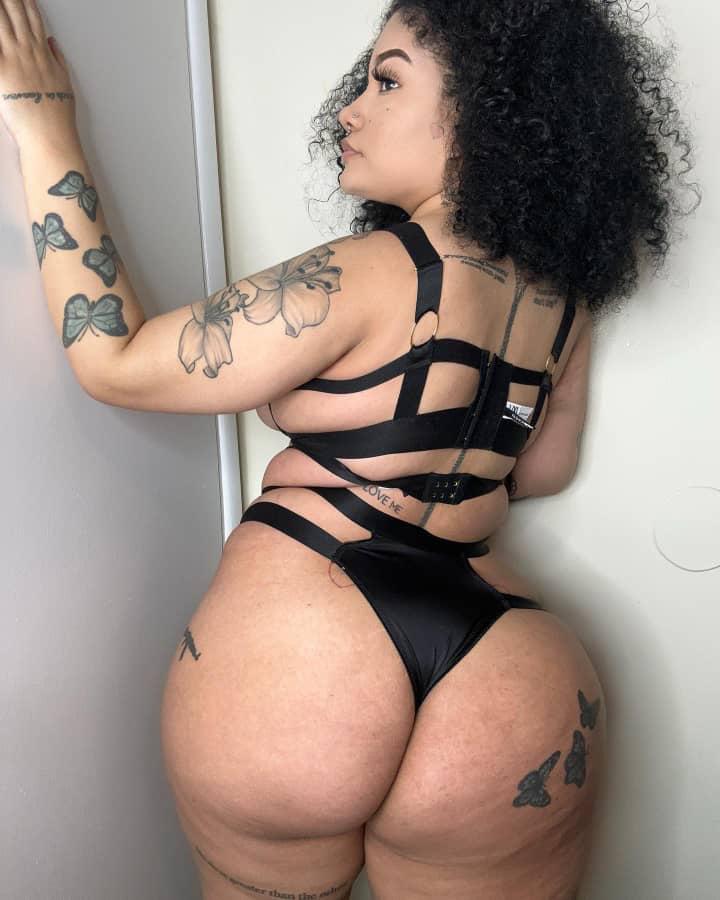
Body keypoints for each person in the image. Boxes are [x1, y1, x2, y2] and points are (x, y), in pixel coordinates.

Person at [6, 0, 694, 896]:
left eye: (387, 80)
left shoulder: (364, 271)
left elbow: (117, 359)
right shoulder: (563, 308)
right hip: (509, 672)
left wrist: (44, 124)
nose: (349, 110)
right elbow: (543, 469)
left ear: (486, 110)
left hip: (310, 636)